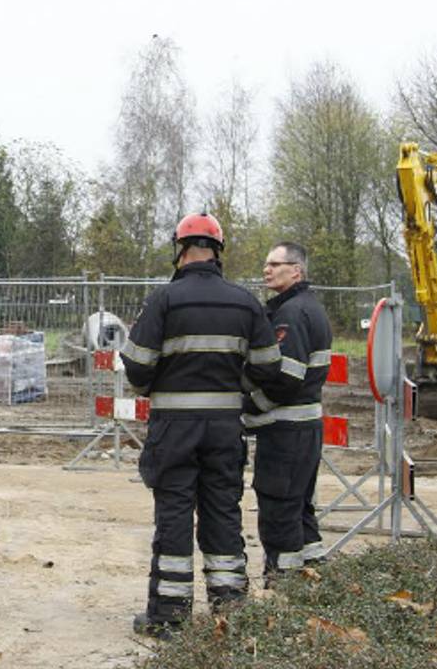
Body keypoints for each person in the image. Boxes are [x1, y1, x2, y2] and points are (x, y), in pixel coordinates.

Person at [120, 212, 285, 639]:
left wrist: (153, 387)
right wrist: (236, 387)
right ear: (218, 252)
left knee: (174, 511)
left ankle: (169, 616)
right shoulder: (245, 301)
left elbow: (137, 365)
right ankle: (230, 610)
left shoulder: (165, 300)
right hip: (225, 426)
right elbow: (269, 365)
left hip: (174, 425)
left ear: (180, 250)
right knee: (222, 511)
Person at [243, 242, 332, 580]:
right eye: (266, 264)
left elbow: (286, 378)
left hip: (286, 431)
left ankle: (284, 586)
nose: (267, 270)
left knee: (279, 508)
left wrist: (249, 407)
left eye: (275, 264)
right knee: (299, 508)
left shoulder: (292, 313)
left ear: (296, 270)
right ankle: (313, 575)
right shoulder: (309, 307)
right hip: (305, 429)